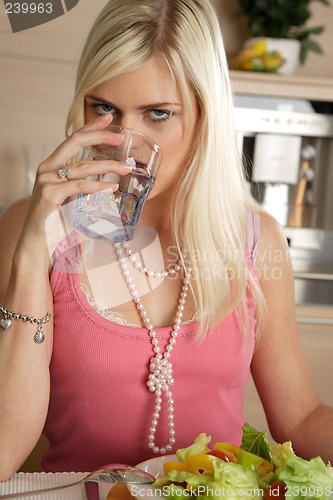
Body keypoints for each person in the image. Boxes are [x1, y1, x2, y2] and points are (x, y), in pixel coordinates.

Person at [0, 0, 332, 480]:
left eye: (158, 113)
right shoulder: (31, 229)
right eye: (105, 108)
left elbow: (299, 418)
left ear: (204, 115)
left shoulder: (257, 242)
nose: (125, 141)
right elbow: (5, 451)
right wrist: (32, 254)